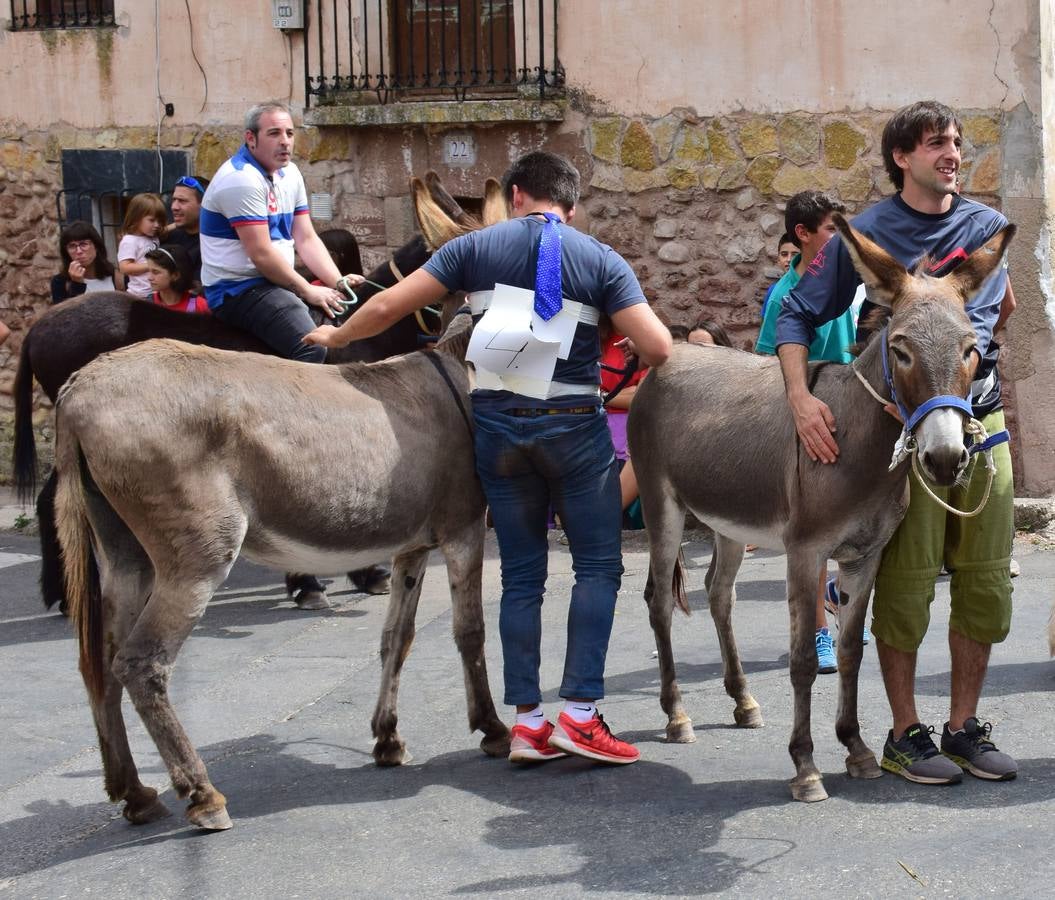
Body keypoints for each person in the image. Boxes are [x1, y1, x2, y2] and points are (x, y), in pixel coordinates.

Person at [304, 150, 672, 766]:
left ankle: (527, 724)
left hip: (497, 429)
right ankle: (580, 716)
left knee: (521, 576)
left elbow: (389, 305)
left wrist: (335, 335)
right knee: (597, 568)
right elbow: (658, 348)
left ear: (517, 195)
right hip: (573, 429)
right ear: (572, 204)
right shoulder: (600, 258)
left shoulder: (472, 248)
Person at [775, 100, 1017, 785]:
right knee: (906, 585)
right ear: (901, 157)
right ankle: (904, 734)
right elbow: (795, 312)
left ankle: (963, 728)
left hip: (980, 422)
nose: (952, 154)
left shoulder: (985, 229)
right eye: (936, 143)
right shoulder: (870, 231)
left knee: (984, 581)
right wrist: (800, 399)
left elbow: (995, 314)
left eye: (956, 142)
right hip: (900, 435)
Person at [755, 190, 863, 673]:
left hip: (854, 414)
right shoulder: (784, 296)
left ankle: (839, 598)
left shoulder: (850, 281)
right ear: (802, 235)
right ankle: (817, 631)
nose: (842, 239)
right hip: (813, 422)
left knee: (856, 522)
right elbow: (768, 362)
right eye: (832, 230)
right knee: (814, 534)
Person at [199, 101, 362, 362]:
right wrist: (307, 289)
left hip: (274, 279)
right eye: (274, 133)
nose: (285, 141)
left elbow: (306, 238)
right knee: (313, 346)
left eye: (290, 133)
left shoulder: (291, 173)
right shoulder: (240, 179)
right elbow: (261, 254)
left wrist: (337, 281)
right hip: (239, 289)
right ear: (251, 138)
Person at [50, 221, 125, 302]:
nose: (79, 251)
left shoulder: (117, 277)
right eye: (72, 246)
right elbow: (66, 310)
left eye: (83, 244)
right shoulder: (59, 282)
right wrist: (77, 285)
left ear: (96, 247)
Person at [118, 193, 166, 299]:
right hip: (140, 295)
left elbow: (166, 230)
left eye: (159, 221)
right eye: (152, 220)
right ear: (136, 218)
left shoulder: (151, 236)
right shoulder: (129, 241)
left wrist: (177, 224)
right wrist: (152, 265)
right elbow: (124, 268)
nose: (157, 225)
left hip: (156, 293)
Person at [165, 174, 210, 286]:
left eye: (182, 201)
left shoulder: (214, 243)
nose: (174, 207)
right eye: (174, 200)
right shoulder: (168, 236)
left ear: (204, 204)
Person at [145, 245, 209, 314]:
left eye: (156, 272)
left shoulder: (200, 306)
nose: (149, 278)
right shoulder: (146, 305)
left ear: (176, 275)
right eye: (149, 271)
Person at [760, 232, 799, 319]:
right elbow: (766, 322)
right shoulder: (774, 290)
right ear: (778, 259)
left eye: (794, 254)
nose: (789, 259)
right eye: (784, 254)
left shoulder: (811, 287)